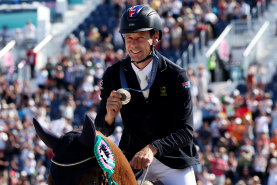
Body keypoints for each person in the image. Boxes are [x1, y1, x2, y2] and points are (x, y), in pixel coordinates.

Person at [95, 5, 199, 185]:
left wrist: (153, 149)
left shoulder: (176, 75)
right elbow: (102, 130)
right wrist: (109, 116)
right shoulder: (112, 75)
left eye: (140, 38)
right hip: (133, 157)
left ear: (155, 37)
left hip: (173, 159)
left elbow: (186, 131)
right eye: (129, 38)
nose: (133, 45)